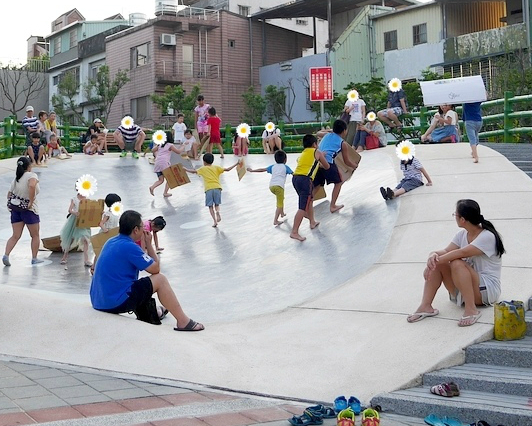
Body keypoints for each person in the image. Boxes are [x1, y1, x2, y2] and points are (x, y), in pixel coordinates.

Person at [90, 210, 204, 331]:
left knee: (138, 286)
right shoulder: (130, 247)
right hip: (113, 302)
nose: (144, 229)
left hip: (98, 300)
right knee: (160, 280)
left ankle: (157, 312)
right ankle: (183, 321)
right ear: (135, 230)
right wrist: (149, 245)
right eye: (141, 226)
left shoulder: (111, 241)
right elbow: (155, 269)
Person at [407, 199, 505, 327]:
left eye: (455, 215)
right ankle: (426, 306)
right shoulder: (462, 235)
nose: (455, 217)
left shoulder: (487, 236)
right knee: (441, 262)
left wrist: (433, 263)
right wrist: (432, 256)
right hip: (467, 289)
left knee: (456, 263)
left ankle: (471, 309)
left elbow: (461, 253)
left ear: (462, 219)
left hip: (487, 291)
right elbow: (446, 251)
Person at [3, 157, 42, 266]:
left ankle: (6, 255)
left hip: (16, 210)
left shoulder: (16, 178)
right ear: (29, 166)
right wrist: (30, 200)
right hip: (29, 210)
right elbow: (32, 185)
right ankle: (34, 258)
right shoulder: (31, 175)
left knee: (15, 235)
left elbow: (9, 194)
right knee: (35, 235)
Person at [290, 134, 329, 241]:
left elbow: (300, 162)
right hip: (305, 180)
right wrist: (321, 157)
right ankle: (294, 231)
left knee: (310, 199)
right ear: (314, 144)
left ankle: (312, 221)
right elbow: (327, 166)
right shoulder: (317, 152)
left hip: (295, 178)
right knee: (302, 207)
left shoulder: (303, 153)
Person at [314, 119, 358, 213]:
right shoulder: (343, 143)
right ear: (344, 131)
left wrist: (329, 131)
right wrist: (354, 165)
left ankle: (307, 204)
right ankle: (332, 206)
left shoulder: (326, 135)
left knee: (318, 185)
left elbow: (318, 133)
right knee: (338, 182)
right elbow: (347, 161)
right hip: (327, 163)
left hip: (317, 163)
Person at [185, 153, 239, 227]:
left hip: (209, 189)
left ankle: (215, 221)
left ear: (204, 161)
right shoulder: (216, 167)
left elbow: (193, 171)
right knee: (217, 204)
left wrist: (185, 169)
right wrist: (236, 163)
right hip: (217, 188)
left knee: (210, 206)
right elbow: (228, 169)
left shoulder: (202, 169)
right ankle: (218, 212)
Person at [247, 150, 293, 226]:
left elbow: (262, 169)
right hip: (279, 187)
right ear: (285, 160)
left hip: (271, 186)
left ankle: (282, 213)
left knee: (280, 199)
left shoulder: (273, 166)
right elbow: (293, 173)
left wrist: (252, 171)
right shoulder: (285, 167)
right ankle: (275, 220)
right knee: (279, 203)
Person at [59, 187, 92, 266]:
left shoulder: (87, 199)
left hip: (84, 221)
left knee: (86, 239)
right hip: (74, 221)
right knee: (70, 238)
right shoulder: (75, 199)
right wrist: (75, 213)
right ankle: (65, 256)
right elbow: (70, 210)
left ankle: (86, 259)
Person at [149, 132, 185, 197]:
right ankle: (165, 193)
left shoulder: (160, 144)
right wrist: (183, 146)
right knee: (170, 179)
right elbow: (178, 152)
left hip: (157, 162)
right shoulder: (170, 145)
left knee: (160, 180)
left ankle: (152, 187)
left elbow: (153, 150)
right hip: (164, 163)